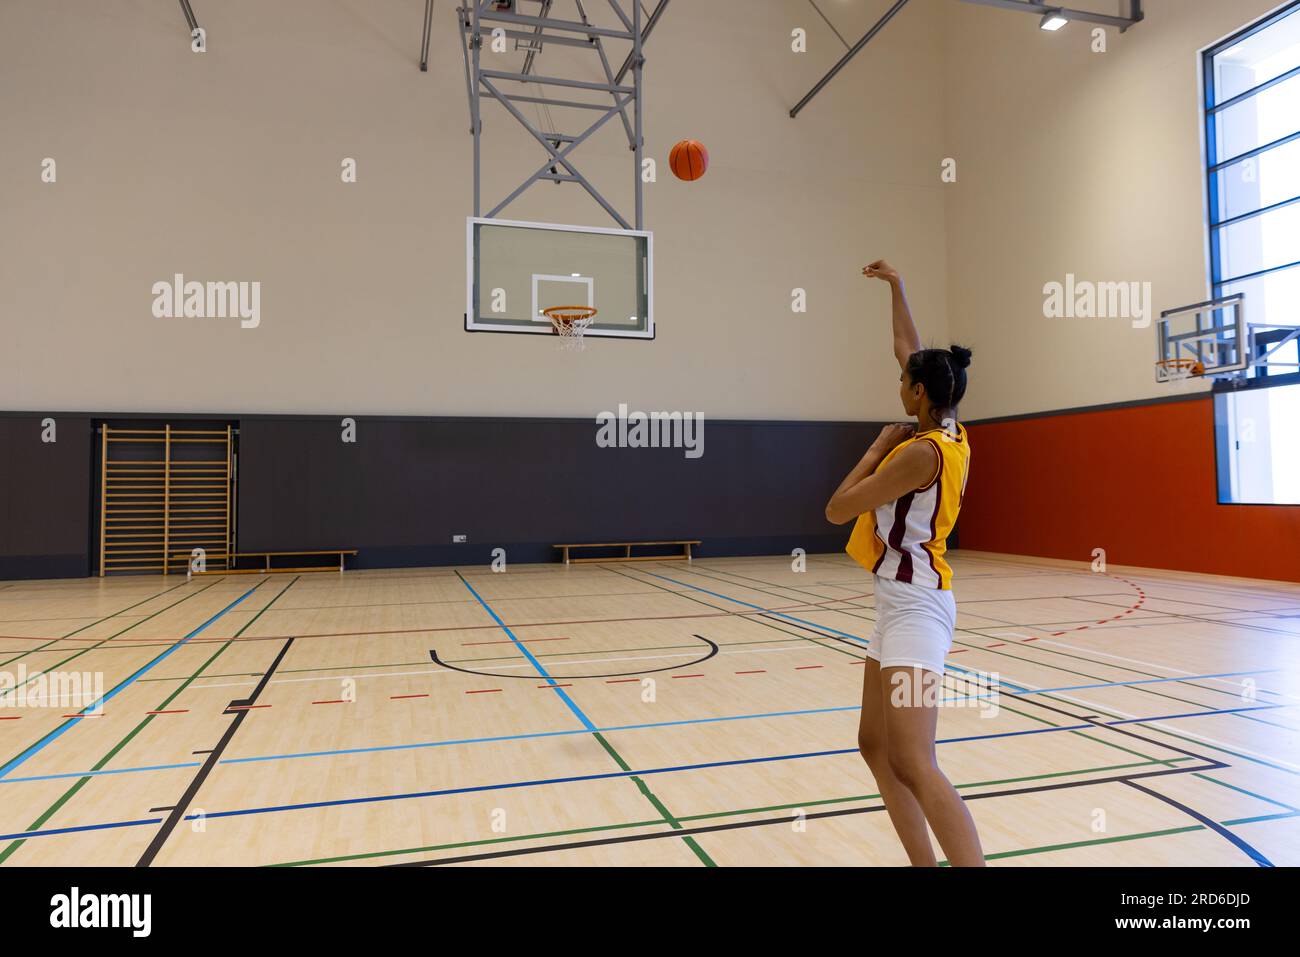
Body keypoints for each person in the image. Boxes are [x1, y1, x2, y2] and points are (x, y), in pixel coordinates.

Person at [824, 259, 984, 867]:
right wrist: (898, 287)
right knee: (875, 745)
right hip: (895, 602)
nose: (899, 380)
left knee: (915, 759)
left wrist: (874, 447)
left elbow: (839, 509)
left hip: (918, 611)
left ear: (918, 393)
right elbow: (909, 348)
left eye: (904, 380)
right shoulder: (949, 427)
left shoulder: (917, 454)